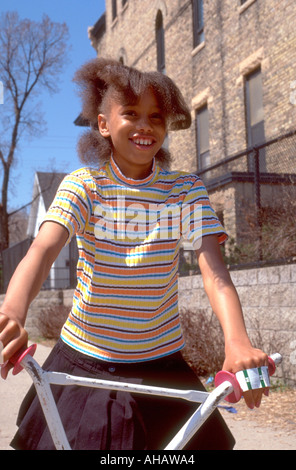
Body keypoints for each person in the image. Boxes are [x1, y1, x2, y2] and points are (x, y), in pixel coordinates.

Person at [0, 58, 269, 450]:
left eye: (156, 116)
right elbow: (42, 250)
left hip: (160, 364)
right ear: (104, 124)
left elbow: (214, 275)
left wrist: (238, 342)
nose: (145, 125)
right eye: (131, 113)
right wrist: (12, 311)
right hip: (84, 361)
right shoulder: (85, 186)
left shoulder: (185, 190)